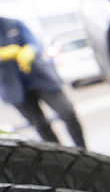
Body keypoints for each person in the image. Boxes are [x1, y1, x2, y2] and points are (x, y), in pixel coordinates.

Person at [0, 16, 86, 149]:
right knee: (41, 125)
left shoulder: (14, 24)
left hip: (40, 78)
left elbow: (34, 44)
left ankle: (82, 150)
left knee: (67, 113)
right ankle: (60, 157)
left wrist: (30, 50)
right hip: (13, 88)